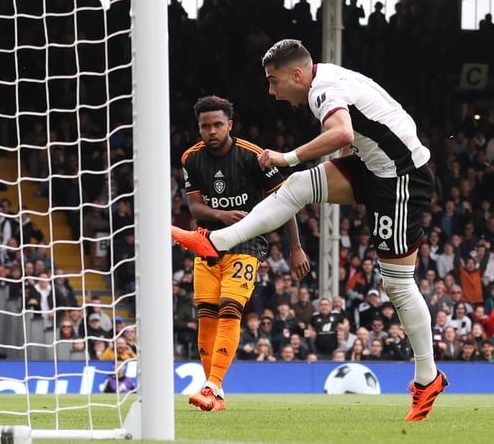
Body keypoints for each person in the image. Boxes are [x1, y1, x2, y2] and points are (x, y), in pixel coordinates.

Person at [172, 39, 446, 421]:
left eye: (273, 81)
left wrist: (287, 156)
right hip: (373, 166)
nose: (271, 91)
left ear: (296, 74)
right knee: (298, 186)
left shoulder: (324, 89)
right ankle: (215, 241)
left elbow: (342, 134)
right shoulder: (328, 76)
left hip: (400, 179)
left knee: (398, 284)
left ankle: (427, 378)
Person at [176, 95, 309, 412]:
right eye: (205, 126)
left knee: (230, 308)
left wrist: (295, 247)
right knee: (206, 316)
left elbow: (285, 203)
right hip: (207, 241)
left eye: (218, 125)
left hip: (248, 242)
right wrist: (221, 216)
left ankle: (211, 386)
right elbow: (194, 205)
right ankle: (214, 390)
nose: (211, 131)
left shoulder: (253, 157)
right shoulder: (191, 159)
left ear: (229, 125)